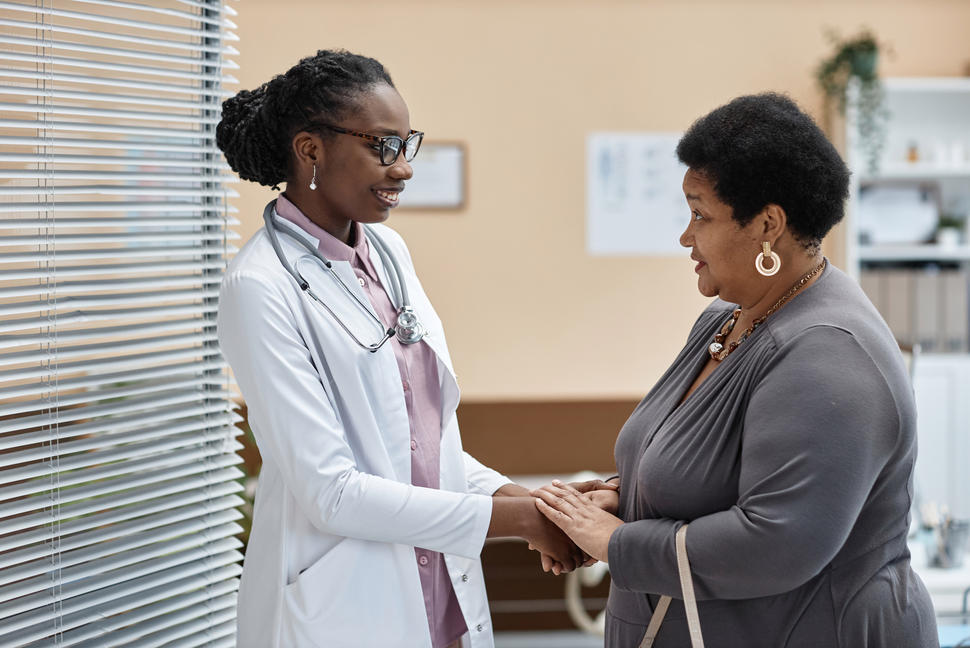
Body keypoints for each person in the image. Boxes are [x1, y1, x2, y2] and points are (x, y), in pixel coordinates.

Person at [215, 49, 602, 648]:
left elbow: (425, 445)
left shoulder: (390, 257)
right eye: (381, 146)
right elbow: (331, 492)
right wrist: (518, 519)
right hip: (345, 604)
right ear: (310, 150)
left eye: (406, 145)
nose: (403, 168)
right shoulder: (259, 286)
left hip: (441, 587)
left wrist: (529, 501)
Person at [534, 93, 939, 647]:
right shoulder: (725, 319)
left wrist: (614, 543)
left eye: (701, 214)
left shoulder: (829, 353)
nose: (686, 236)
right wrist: (622, 499)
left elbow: (774, 542)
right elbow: (712, 476)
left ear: (768, 224)